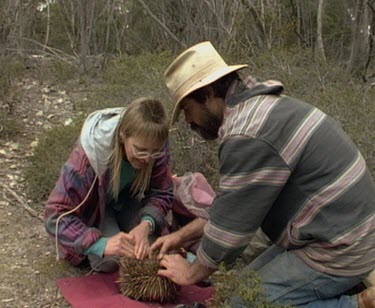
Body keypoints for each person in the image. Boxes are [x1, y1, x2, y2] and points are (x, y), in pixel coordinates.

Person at [155, 41, 375, 307]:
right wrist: (180, 237)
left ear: (208, 94)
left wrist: (190, 272)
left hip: (343, 246)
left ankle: (357, 304)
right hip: (334, 227)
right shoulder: (261, 108)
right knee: (244, 286)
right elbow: (231, 208)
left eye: (188, 110)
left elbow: (229, 233)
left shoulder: (246, 135)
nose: (189, 121)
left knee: (243, 302)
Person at [44, 97, 173, 273]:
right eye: (140, 150)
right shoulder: (87, 158)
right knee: (111, 260)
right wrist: (101, 244)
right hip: (94, 209)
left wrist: (146, 224)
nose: (147, 158)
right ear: (123, 135)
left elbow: (161, 191)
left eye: (154, 152)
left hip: (126, 200)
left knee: (152, 249)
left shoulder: (154, 144)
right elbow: (55, 217)